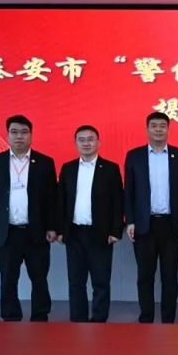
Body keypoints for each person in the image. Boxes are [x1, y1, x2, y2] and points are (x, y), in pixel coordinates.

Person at [0, 115, 58, 322]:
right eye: (14, 132)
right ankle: (10, 317)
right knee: (8, 279)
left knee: (39, 278)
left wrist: (52, 226)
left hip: (36, 232)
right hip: (7, 232)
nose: (19, 137)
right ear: (7, 135)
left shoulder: (45, 162)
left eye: (24, 132)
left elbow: (52, 198)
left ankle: (40, 316)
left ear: (31, 135)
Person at [124, 112, 178, 323]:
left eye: (162, 126)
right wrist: (130, 220)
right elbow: (129, 191)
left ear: (168, 129)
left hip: (172, 224)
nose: (158, 130)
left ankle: (168, 320)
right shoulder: (134, 156)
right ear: (147, 130)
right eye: (154, 126)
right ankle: (146, 318)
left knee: (170, 276)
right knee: (145, 276)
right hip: (145, 225)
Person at [56, 125, 124, 323]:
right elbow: (61, 201)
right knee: (76, 282)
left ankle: (99, 320)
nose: (86, 143)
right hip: (74, 233)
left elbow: (117, 201)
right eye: (81, 139)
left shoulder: (110, 169)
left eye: (90, 139)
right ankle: (78, 320)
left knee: (101, 281)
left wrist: (115, 231)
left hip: (100, 234)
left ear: (98, 142)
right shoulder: (68, 168)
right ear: (75, 143)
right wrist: (60, 230)